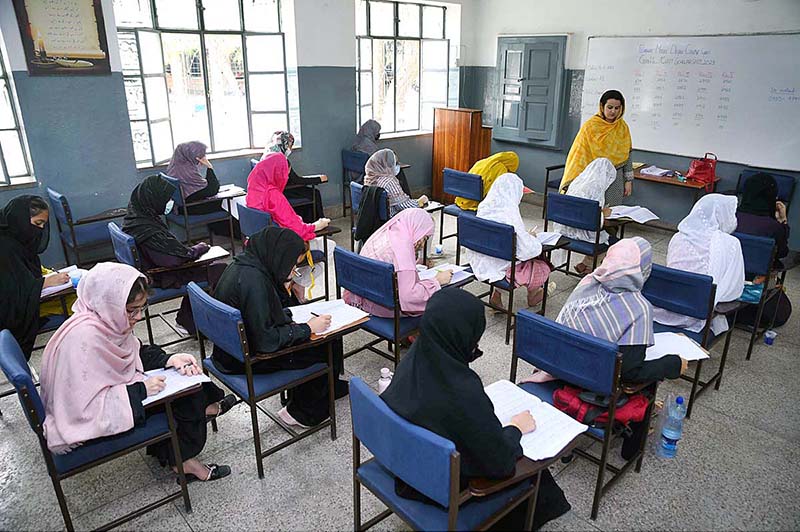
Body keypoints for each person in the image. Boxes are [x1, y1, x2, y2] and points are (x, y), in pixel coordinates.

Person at [381, 288, 571, 530]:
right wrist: (515, 429)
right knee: (537, 476)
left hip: (406, 466)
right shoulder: (463, 389)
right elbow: (501, 463)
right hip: (440, 489)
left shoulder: (413, 360)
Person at [40, 263, 233, 482]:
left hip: (106, 397)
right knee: (185, 396)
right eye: (132, 310)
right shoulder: (85, 340)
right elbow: (83, 409)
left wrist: (169, 359)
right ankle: (184, 461)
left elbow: (134, 351)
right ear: (108, 303)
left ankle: (202, 412)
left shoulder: (100, 319)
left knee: (175, 370)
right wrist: (140, 390)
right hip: (83, 423)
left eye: (142, 307)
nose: (139, 317)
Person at [523, 237, 687, 460]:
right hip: (594, 386)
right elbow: (628, 373)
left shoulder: (587, 283)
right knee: (649, 384)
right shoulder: (639, 308)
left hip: (559, 369)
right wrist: (673, 364)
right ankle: (631, 449)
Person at [212, 227, 348, 428]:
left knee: (324, 335)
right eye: (292, 264)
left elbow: (257, 315)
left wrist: (288, 312)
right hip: (248, 359)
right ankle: (302, 413)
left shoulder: (245, 264)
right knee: (324, 343)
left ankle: (330, 388)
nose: (293, 270)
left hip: (229, 351)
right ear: (279, 257)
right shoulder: (255, 282)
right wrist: (307, 328)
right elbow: (267, 341)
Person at [122, 175, 226, 336]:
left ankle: (192, 319)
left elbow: (169, 250)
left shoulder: (136, 216)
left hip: (149, 269)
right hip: (161, 276)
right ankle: (190, 323)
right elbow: (173, 260)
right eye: (166, 199)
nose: (169, 203)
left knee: (210, 267)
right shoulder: (149, 230)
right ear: (154, 199)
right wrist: (199, 248)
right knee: (219, 270)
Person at [653, 194, 745, 336]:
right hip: (697, 313)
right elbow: (734, 288)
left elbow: (676, 273)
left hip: (666, 302)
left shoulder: (679, 236)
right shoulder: (731, 243)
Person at [466, 172, 552, 309]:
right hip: (503, 266)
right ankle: (533, 295)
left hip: (480, 260)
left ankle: (497, 295)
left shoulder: (484, 207)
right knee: (541, 265)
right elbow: (526, 252)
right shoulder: (509, 213)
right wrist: (532, 239)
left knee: (503, 253)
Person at [0, 195, 71, 359]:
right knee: (78, 304)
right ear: (21, 218)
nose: (40, 230)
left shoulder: (14, 237)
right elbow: (8, 295)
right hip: (11, 315)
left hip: (28, 298)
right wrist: (44, 283)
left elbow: (20, 274)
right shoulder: (5, 248)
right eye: (37, 223)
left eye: (43, 225)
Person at [344, 208, 447, 318]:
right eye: (424, 237)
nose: (422, 244)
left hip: (366, 297)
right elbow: (409, 298)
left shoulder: (387, 233)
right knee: (443, 300)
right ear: (417, 229)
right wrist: (436, 281)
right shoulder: (403, 248)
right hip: (384, 306)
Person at [734, 172, 792, 327]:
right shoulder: (773, 227)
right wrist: (783, 221)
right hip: (755, 287)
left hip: (725, 282)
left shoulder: (730, 217)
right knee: (782, 312)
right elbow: (782, 253)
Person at [560, 89, 633, 206]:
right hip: (592, 177)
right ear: (602, 106)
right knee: (592, 211)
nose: (613, 111)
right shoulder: (591, 126)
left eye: (617, 108)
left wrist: (628, 181)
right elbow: (579, 154)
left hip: (615, 177)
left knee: (612, 212)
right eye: (609, 107)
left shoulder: (623, 128)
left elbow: (628, 155)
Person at [552, 158, 617, 275]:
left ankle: (585, 265)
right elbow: (594, 222)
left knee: (603, 236)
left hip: (564, 229)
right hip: (581, 232)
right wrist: (603, 214)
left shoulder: (576, 182)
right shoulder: (596, 187)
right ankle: (595, 270)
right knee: (613, 241)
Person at [246, 153, 329, 242]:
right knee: (330, 245)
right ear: (277, 172)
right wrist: (317, 225)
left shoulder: (252, 191)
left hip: (259, 241)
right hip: (279, 243)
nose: (286, 177)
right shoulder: (273, 195)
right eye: (286, 174)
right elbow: (298, 230)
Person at [261, 130, 327, 222]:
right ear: (285, 145)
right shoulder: (282, 160)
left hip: (272, 191)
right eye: (290, 146)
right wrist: (318, 179)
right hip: (283, 192)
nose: (290, 149)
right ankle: (320, 224)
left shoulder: (266, 155)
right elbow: (296, 180)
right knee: (315, 193)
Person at [352, 119, 412, 195]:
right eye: (377, 132)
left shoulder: (358, 141)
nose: (378, 134)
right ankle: (404, 196)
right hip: (370, 176)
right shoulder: (368, 145)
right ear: (372, 131)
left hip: (358, 174)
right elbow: (380, 162)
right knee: (398, 172)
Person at [364, 148, 427, 217]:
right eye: (395, 163)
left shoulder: (368, 179)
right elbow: (404, 206)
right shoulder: (390, 182)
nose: (397, 166)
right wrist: (420, 201)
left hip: (375, 218)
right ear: (386, 165)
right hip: (393, 219)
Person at [165, 141, 220, 215]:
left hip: (181, 206)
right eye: (200, 154)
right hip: (189, 207)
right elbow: (212, 190)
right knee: (226, 204)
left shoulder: (174, 166)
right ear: (191, 154)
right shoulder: (186, 170)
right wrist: (209, 167)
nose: (201, 157)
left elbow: (198, 189)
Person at [455, 151, 520, 211]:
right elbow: (496, 189)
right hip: (473, 202)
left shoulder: (482, 162)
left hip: (462, 197)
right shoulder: (501, 169)